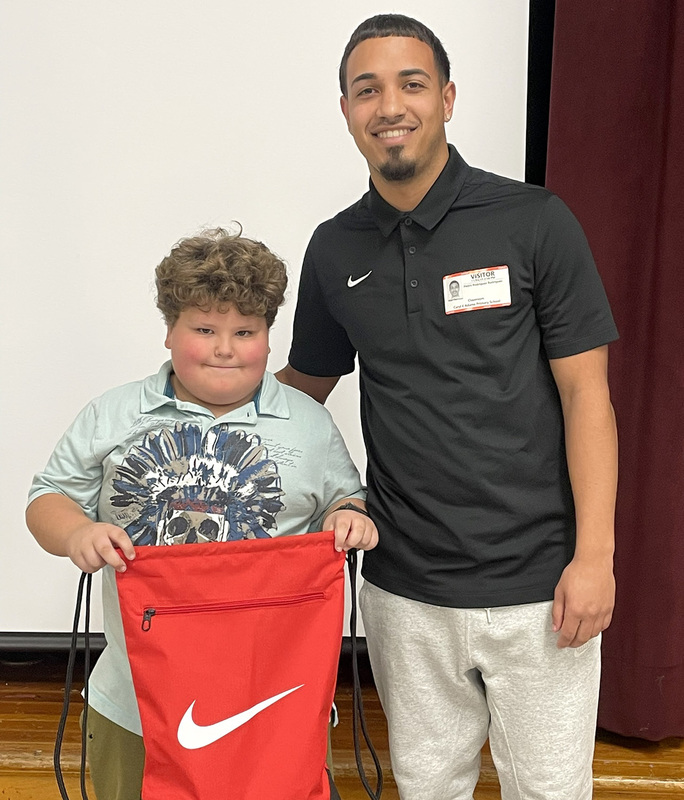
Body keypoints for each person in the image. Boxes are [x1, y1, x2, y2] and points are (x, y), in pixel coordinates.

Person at [277, 13, 618, 800]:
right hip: (404, 591)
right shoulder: (334, 247)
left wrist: (594, 558)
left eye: (411, 84)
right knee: (427, 789)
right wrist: (193, 417)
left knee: (551, 792)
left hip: (542, 588)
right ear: (346, 111)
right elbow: (305, 390)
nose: (389, 105)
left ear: (449, 98)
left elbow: (587, 396)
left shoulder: (534, 221)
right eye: (368, 90)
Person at [26, 227, 378, 800]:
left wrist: (347, 515)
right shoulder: (113, 414)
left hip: (273, 699)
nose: (225, 348)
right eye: (204, 329)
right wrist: (77, 532)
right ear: (169, 331)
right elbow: (48, 499)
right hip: (136, 700)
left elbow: (345, 498)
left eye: (246, 331)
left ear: (269, 335)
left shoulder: (308, 423)